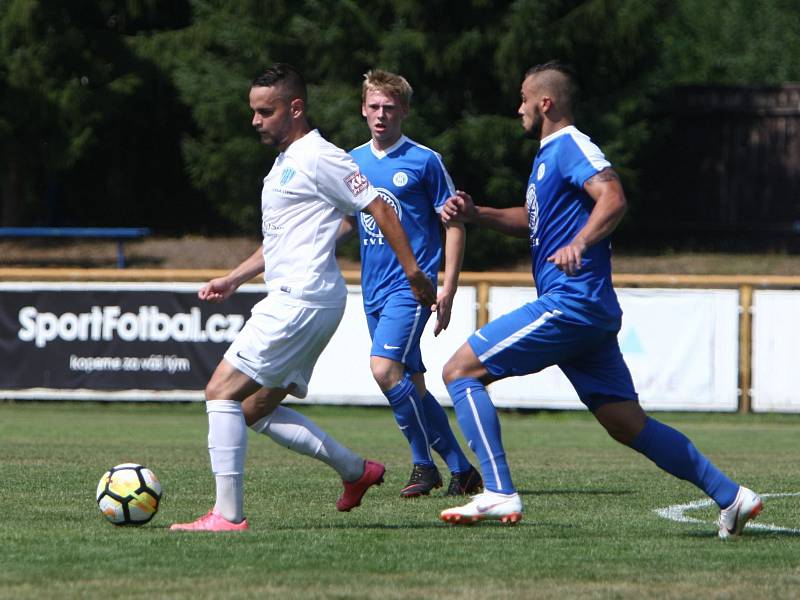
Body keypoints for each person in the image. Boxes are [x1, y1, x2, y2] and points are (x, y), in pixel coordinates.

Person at [438, 60, 762, 539]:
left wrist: (582, 242)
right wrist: (477, 213)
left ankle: (499, 491)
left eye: (524, 99)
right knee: (626, 423)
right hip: (587, 313)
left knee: (460, 372)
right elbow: (534, 223)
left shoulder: (571, 145)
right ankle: (732, 496)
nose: (518, 108)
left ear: (545, 103)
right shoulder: (550, 155)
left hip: (571, 302)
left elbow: (613, 196)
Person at [171, 63, 436, 532]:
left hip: (301, 299)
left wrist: (413, 272)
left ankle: (226, 516)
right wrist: (233, 279)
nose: (255, 121)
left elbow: (379, 206)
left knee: (220, 392)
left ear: (295, 108)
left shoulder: (319, 156)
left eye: (265, 111)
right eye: (253, 111)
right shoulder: (287, 162)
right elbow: (281, 242)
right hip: (307, 298)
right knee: (253, 409)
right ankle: (357, 471)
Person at [341, 69, 482, 498]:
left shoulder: (424, 160)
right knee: (411, 384)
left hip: (412, 287)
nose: (381, 115)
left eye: (389, 107)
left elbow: (454, 224)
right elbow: (346, 222)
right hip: (373, 289)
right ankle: (461, 469)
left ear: (404, 110)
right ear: (363, 109)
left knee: (383, 369)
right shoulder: (351, 161)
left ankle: (424, 465)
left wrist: (448, 288)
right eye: (374, 107)